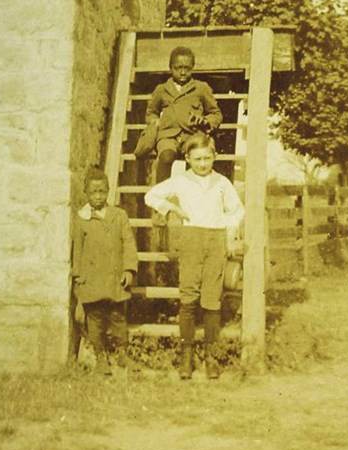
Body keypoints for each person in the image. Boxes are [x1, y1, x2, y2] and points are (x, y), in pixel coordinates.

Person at [144, 133, 244, 380]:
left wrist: (231, 234)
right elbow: (151, 196)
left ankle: (211, 355)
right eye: (197, 159)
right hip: (190, 239)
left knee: (212, 300)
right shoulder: (180, 181)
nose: (202, 164)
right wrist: (173, 208)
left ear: (214, 157)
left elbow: (236, 210)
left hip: (216, 240)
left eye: (207, 158)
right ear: (187, 158)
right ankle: (186, 356)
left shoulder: (221, 182)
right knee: (188, 298)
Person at [72, 168, 139, 375]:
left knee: (119, 316)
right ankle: (100, 357)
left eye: (102, 192)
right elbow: (78, 250)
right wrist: (78, 277)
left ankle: (122, 354)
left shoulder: (119, 216)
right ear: (86, 193)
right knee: (96, 319)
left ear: (109, 191)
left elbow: (128, 243)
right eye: (94, 192)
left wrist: (129, 269)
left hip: (114, 277)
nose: (98, 196)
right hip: (91, 279)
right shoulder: (82, 219)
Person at [142, 46, 222, 187]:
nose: (183, 72)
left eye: (187, 68)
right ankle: (162, 195)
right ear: (170, 68)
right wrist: (154, 120)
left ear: (192, 68)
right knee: (166, 157)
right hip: (168, 135)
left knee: (196, 159)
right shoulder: (162, 89)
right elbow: (151, 112)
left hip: (192, 134)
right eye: (178, 68)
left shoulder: (201, 88)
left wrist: (205, 121)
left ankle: (194, 194)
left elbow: (215, 113)